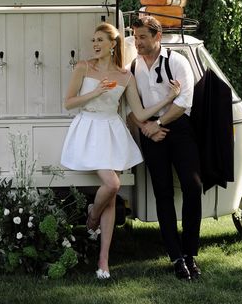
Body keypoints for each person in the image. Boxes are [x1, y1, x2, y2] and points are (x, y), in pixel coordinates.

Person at [60, 22, 180, 280]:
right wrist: (96, 92)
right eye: (93, 40)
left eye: (100, 40)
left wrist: (168, 99)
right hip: (89, 130)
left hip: (111, 132)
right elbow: (69, 103)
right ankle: (92, 219)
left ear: (112, 45)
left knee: (113, 196)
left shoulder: (126, 75)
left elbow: (140, 113)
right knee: (112, 184)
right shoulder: (83, 67)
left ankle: (103, 260)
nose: (95, 45)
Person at [127, 16, 202, 281]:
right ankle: (176, 257)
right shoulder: (133, 66)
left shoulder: (178, 61)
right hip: (151, 134)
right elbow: (130, 105)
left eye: (142, 37)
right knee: (163, 193)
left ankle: (191, 253)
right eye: (135, 38)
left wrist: (156, 124)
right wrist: (146, 127)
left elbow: (184, 102)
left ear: (157, 37)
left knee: (193, 187)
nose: (137, 42)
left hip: (179, 130)